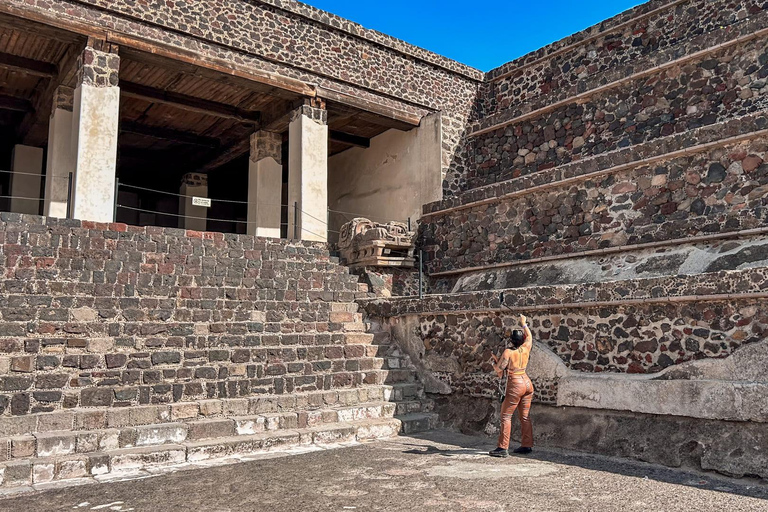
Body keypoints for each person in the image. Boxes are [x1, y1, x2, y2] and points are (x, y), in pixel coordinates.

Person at [489, 314, 534, 458]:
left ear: (511, 340)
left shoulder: (508, 351)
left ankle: (503, 447)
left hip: (515, 384)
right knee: (525, 417)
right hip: (527, 382)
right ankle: (527, 445)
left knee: (506, 416)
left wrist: (494, 363)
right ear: (521, 340)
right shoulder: (526, 347)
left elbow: (500, 369)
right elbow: (530, 337)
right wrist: (524, 323)